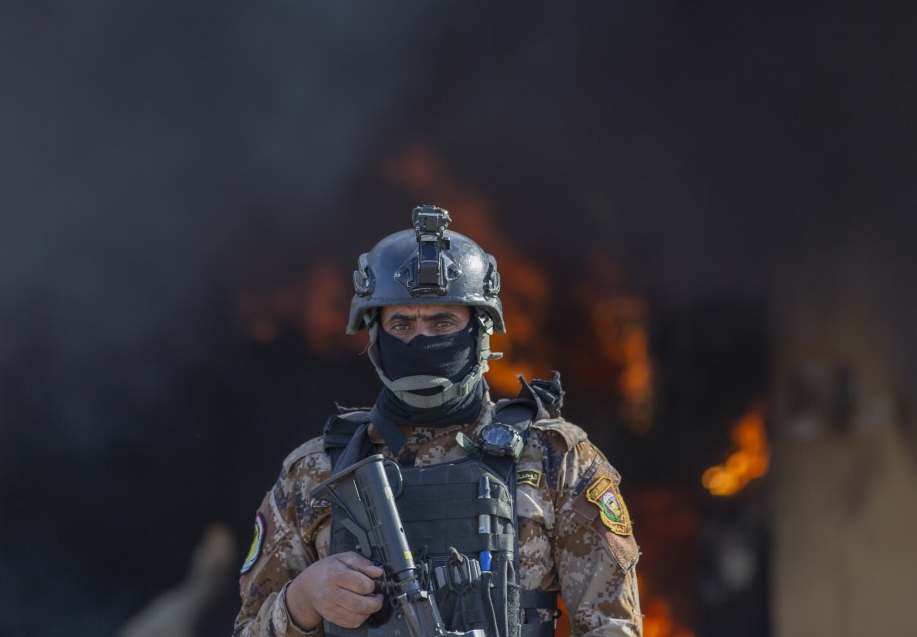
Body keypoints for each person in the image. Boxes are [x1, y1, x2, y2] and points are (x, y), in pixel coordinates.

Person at [233, 205, 642, 637]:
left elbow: (612, 626)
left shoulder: (555, 458)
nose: (422, 339)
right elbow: (247, 629)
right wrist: (303, 601)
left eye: (442, 320)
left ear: (479, 331)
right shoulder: (314, 472)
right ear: (376, 335)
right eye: (402, 324)